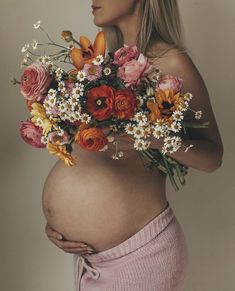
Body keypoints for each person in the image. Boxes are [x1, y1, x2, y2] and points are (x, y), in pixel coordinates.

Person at [44, 1, 224, 290]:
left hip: (139, 257)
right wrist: (61, 221)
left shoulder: (171, 61)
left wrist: (152, 137)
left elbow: (213, 157)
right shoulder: (102, 64)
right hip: (90, 260)